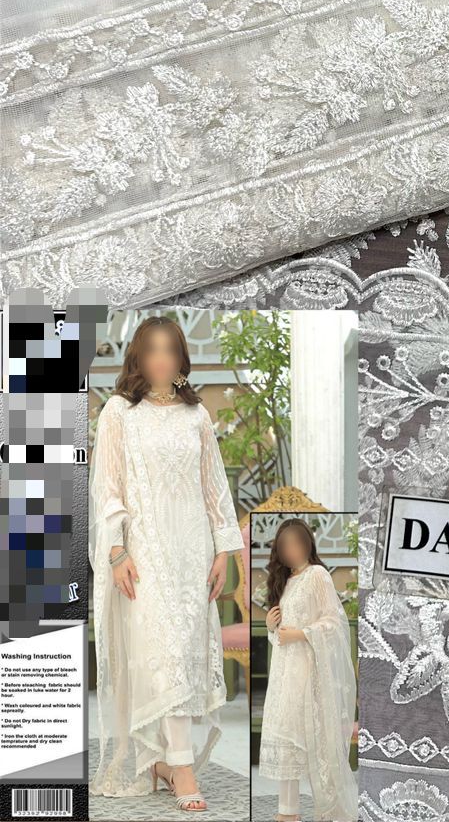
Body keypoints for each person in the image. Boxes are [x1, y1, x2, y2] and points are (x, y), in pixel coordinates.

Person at [89, 315, 243, 811]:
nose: (161, 358)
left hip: (191, 552)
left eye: (170, 350)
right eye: (152, 349)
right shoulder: (119, 412)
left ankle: (161, 762)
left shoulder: (196, 415)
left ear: (181, 359)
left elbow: (214, 487)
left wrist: (223, 551)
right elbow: (107, 487)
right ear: (137, 356)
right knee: (164, 653)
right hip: (145, 553)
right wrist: (117, 551)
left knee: (182, 653)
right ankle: (181, 766)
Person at [260, 518, 358, 822]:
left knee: (317, 742)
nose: (291, 550)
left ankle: (329, 810)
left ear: (307, 544)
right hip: (284, 673)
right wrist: (271, 627)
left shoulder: (317, 575)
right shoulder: (284, 581)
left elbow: (334, 622)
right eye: (285, 545)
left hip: (309, 671)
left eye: (296, 543)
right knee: (285, 738)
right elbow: (280, 637)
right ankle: (287, 812)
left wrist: (301, 633)